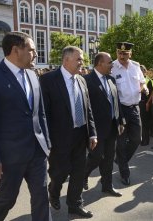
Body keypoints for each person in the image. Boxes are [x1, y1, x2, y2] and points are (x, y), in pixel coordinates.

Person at [0, 31, 51, 221]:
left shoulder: (33, 75)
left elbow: (40, 113)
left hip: (37, 152)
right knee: (7, 199)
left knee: (42, 197)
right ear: (16, 50)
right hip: (10, 156)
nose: (35, 54)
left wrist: (46, 144)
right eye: (31, 50)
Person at [40, 46, 97, 218]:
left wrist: (92, 133)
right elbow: (43, 113)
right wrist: (47, 139)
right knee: (59, 172)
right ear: (66, 60)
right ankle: (54, 191)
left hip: (81, 135)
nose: (82, 63)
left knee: (79, 172)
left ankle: (75, 205)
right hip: (59, 138)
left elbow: (88, 110)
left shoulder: (81, 80)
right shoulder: (48, 80)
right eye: (79, 59)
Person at [83, 52, 124, 197]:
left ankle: (107, 186)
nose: (112, 65)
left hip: (112, 127)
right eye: (109, 62)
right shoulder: (86, 80)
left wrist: (120, 121)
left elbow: (116, 102)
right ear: (100, 63)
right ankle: (83, 174)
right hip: (96, 128)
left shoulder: (111, 79)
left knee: (108, 159)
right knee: (96, 156)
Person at [111, 42, 148, 186]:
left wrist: (144, 88)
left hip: (134, 108)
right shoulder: (112, 67)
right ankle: (124, 172)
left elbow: (142, 81)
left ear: (130, 54)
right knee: (120, 142)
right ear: (116, 53)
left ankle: (120, 160)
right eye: (119, 53)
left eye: (125, 54)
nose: (122, 56)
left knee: (136, 139)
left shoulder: (136, 66)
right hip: (120, 109)